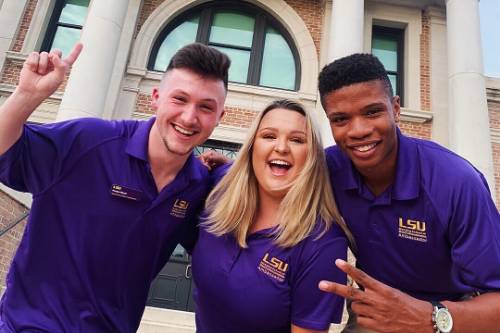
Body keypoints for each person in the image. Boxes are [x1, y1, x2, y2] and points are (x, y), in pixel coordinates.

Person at [0, 42, 229, 332]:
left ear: (220, 117)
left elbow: (228, 250)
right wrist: (26, 96)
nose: (189, 117)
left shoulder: (197, 186)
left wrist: (235, 170)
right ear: (155, 98)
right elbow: (6, 154)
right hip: (31, 325)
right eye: (179, 99)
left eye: (206, 107)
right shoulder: (89, 141)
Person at [316, 53, 500, 333]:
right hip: (375, 315)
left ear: (396, 108)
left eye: (372, 112)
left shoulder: (456, 182)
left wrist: (429, 318)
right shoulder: (327, 169)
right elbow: (271, 178)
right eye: (341, 119)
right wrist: (226, 169)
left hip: (450, 315)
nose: (359, 130)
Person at [192, 99, 352, 333]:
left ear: (312, 157)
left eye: (297, 140)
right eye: (269, 136)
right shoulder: (219, 187)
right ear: (252, 146)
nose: (281, 147)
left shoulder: (323, 244)